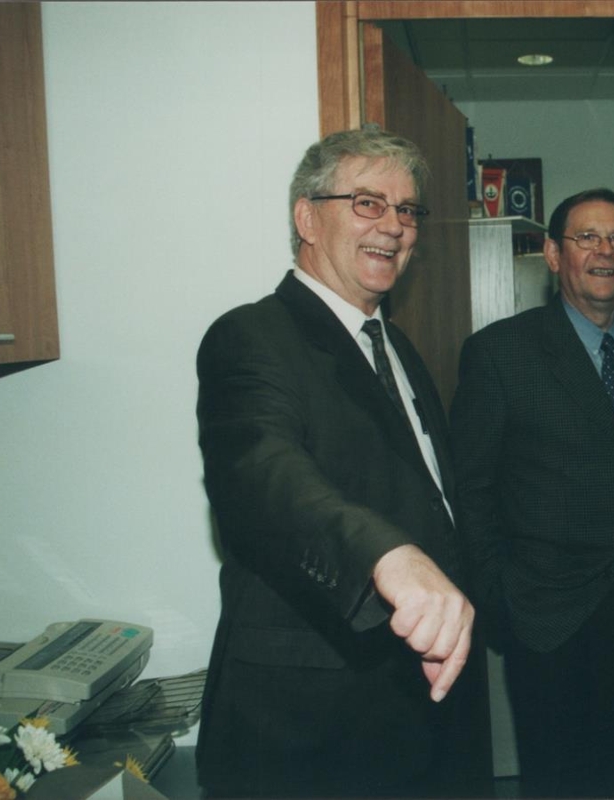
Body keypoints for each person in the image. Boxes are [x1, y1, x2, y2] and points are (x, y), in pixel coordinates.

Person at [194, 125, 485, 798]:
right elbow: (262, 476)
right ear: (307, 218)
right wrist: (389, 558)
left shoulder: (397, 347)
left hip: (418, 703)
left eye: (407, 209)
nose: (394, 225)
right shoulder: (250, 335)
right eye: (367, 202)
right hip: (309, 726)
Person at [449, 188, 614, 797]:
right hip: (549, 621)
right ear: (553, 255)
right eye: (587, 237)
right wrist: (499, 604)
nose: (604, 251)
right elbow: (471, 489)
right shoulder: (500, 353)